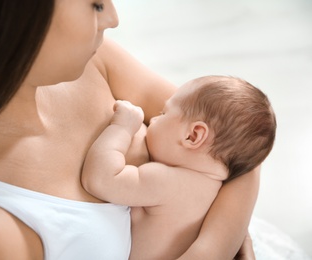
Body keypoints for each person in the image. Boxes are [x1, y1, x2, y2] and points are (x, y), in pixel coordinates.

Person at [0, 1, 259, 259]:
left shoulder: (93, 64)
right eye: (94, 4)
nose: (113, 17)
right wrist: (227, 225)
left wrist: (213, 245)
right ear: (13, 16)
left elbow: (238, 136)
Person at [82, 75, 277, 259]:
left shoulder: (167, 182)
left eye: (163, 113)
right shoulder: (217, 191)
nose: (154, 120)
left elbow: (100, 180)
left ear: (193, 136)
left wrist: (121, 128)